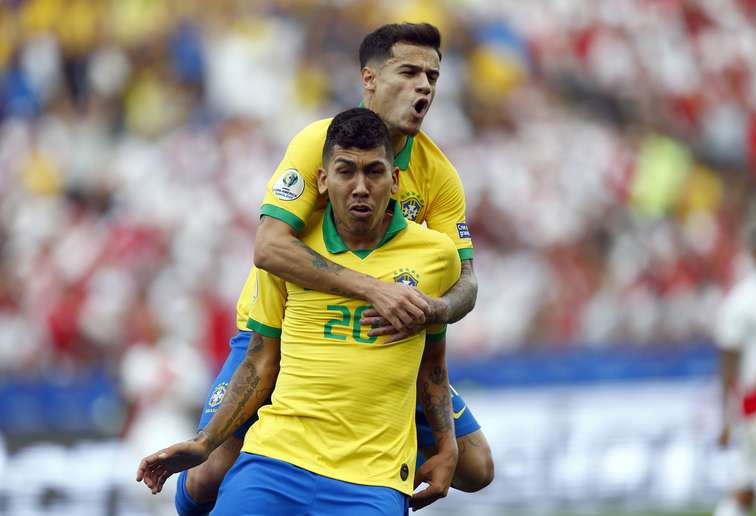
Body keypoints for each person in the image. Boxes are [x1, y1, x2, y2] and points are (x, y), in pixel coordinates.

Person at [177, 22, 494, 514]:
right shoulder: (316, 144)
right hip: (289, 331)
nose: (424, 86)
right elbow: (269, 248)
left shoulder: (439, 174)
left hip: (379, 337)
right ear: (369, 79)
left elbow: (466, 282)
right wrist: (372, 289)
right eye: (409, 72)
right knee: (207, 475)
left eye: (432, 76)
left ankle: (365, 456)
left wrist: (435, 309)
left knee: (475, 466)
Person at [137, 108, 461, 514]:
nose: (360, 187)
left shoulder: (435, 256)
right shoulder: (290, 256)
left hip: (369, 481)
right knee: (208, 480)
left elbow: (433, 364)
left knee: (479, 467)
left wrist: (448, 447)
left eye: (374, 172)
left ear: (395, 181)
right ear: (323, 180)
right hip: (276, 462)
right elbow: (259, 360)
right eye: (346, 172)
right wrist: (204, 443)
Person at [714, 216, 756, 516]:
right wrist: (725, 416)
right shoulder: (741, 302)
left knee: (747, 490)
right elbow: (728, 363)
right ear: (755, 254)